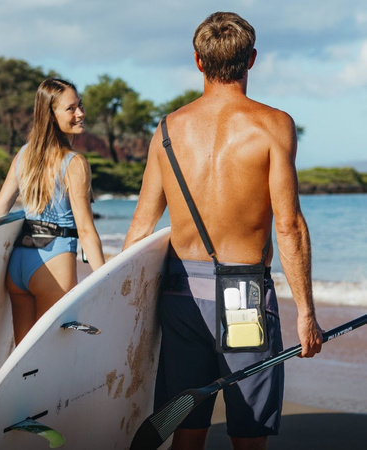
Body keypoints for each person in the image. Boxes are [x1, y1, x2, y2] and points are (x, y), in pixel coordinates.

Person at [123, 12, 323, 450]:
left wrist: (122, 311)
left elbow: (140, 226)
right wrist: (305, 313)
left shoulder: (167, 129)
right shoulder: (273, 125)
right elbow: (289, 225)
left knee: (186, 427)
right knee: (248, 432)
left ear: (198, 61)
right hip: (244, 296)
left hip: (179, 297)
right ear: (251, 59)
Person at [0, 78, 105, 345]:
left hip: (18, 265)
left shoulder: (24, 155)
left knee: (24, 355)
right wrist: (106, 280)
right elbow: (86, 230)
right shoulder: (74, 162)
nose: (80, 113)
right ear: (51, 116)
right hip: (53, 264)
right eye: (71, 109)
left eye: (80, 105)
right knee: (54, 352)